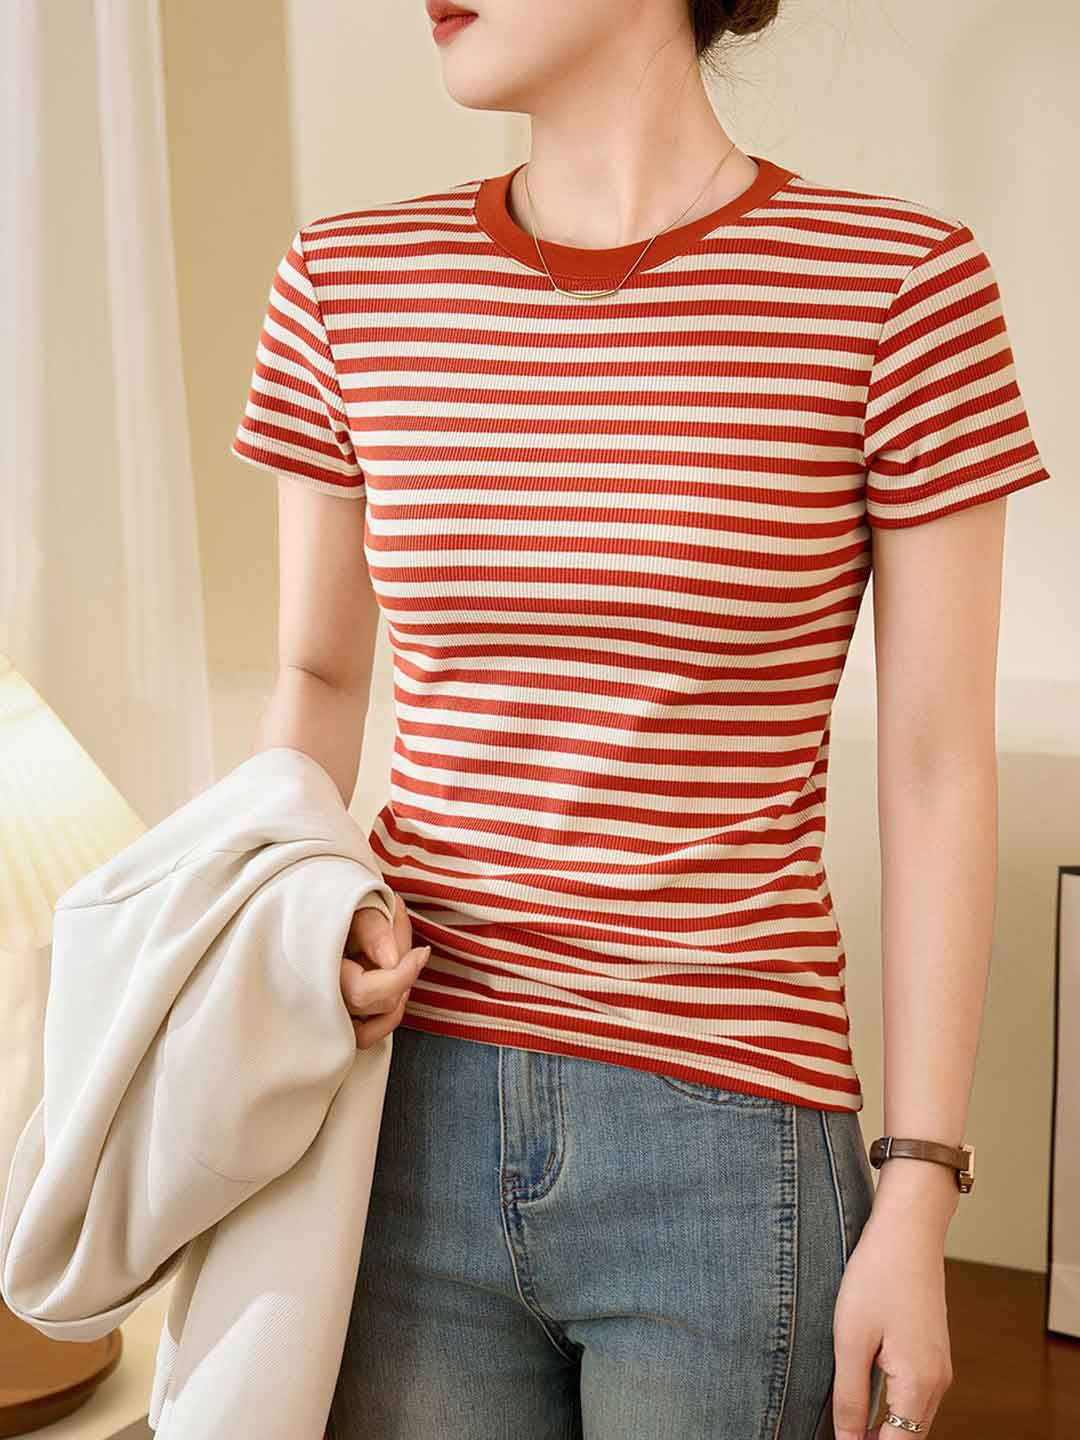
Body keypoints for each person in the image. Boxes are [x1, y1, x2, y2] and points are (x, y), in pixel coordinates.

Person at [228, 2, 1052, 1436]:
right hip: (398, 1108)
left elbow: (933, 771)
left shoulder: (897, 287)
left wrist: (919, 1188)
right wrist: (306, 915)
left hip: (728, 1145)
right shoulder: (345, 281)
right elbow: (318, 678)